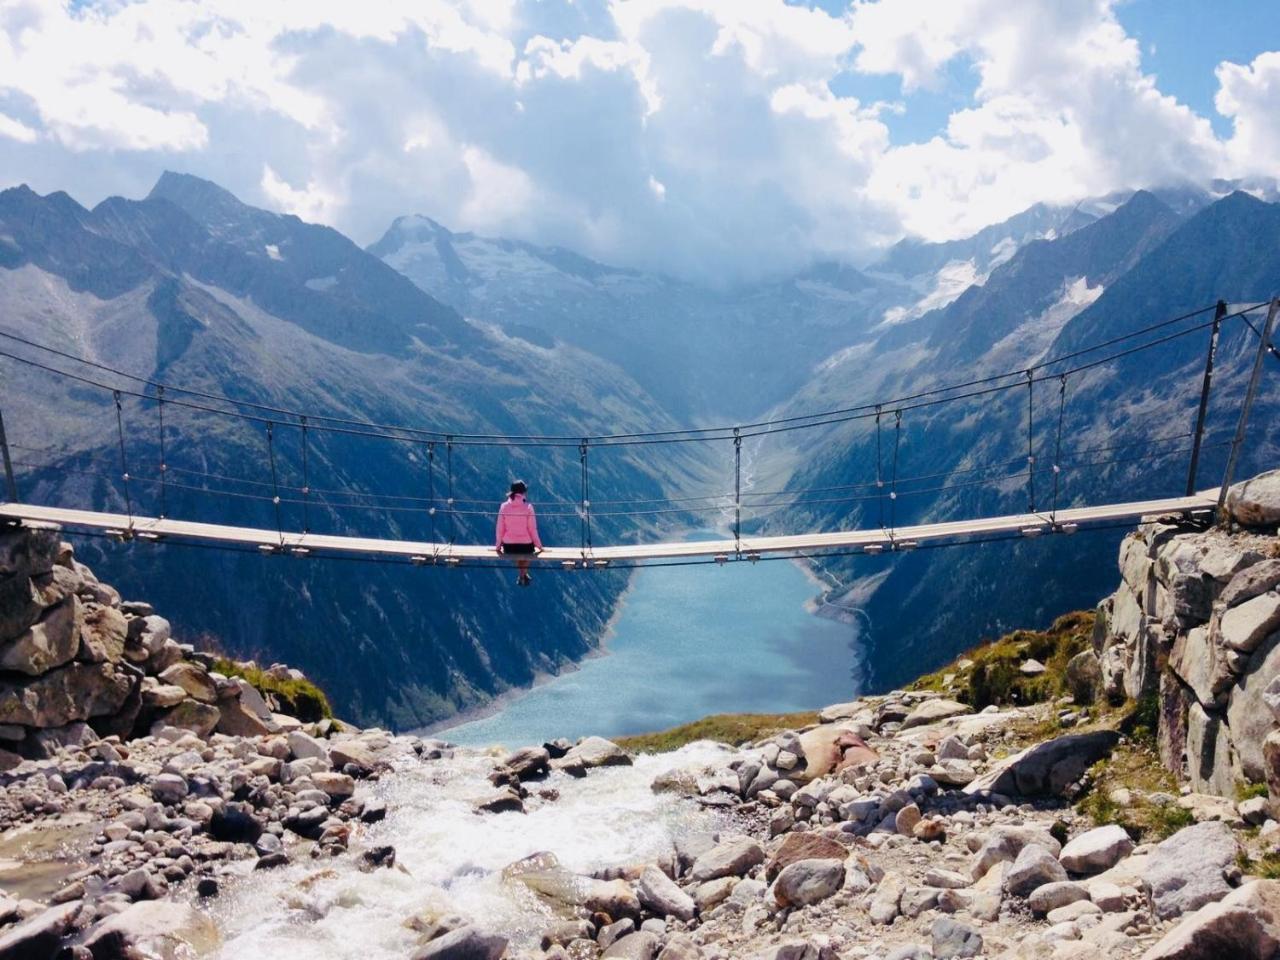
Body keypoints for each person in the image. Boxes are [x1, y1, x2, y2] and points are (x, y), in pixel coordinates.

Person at [495, 480, 543, 586]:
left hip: (509, 546)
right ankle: (522, 574)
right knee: (527, 551)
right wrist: (539, 546)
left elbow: (500, 528)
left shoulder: (503, 506)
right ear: (523, 492)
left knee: (517, 552)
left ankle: (522, 575)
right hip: (526, 545)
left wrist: (498, 546)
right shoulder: (529, 507)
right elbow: (532, 529)